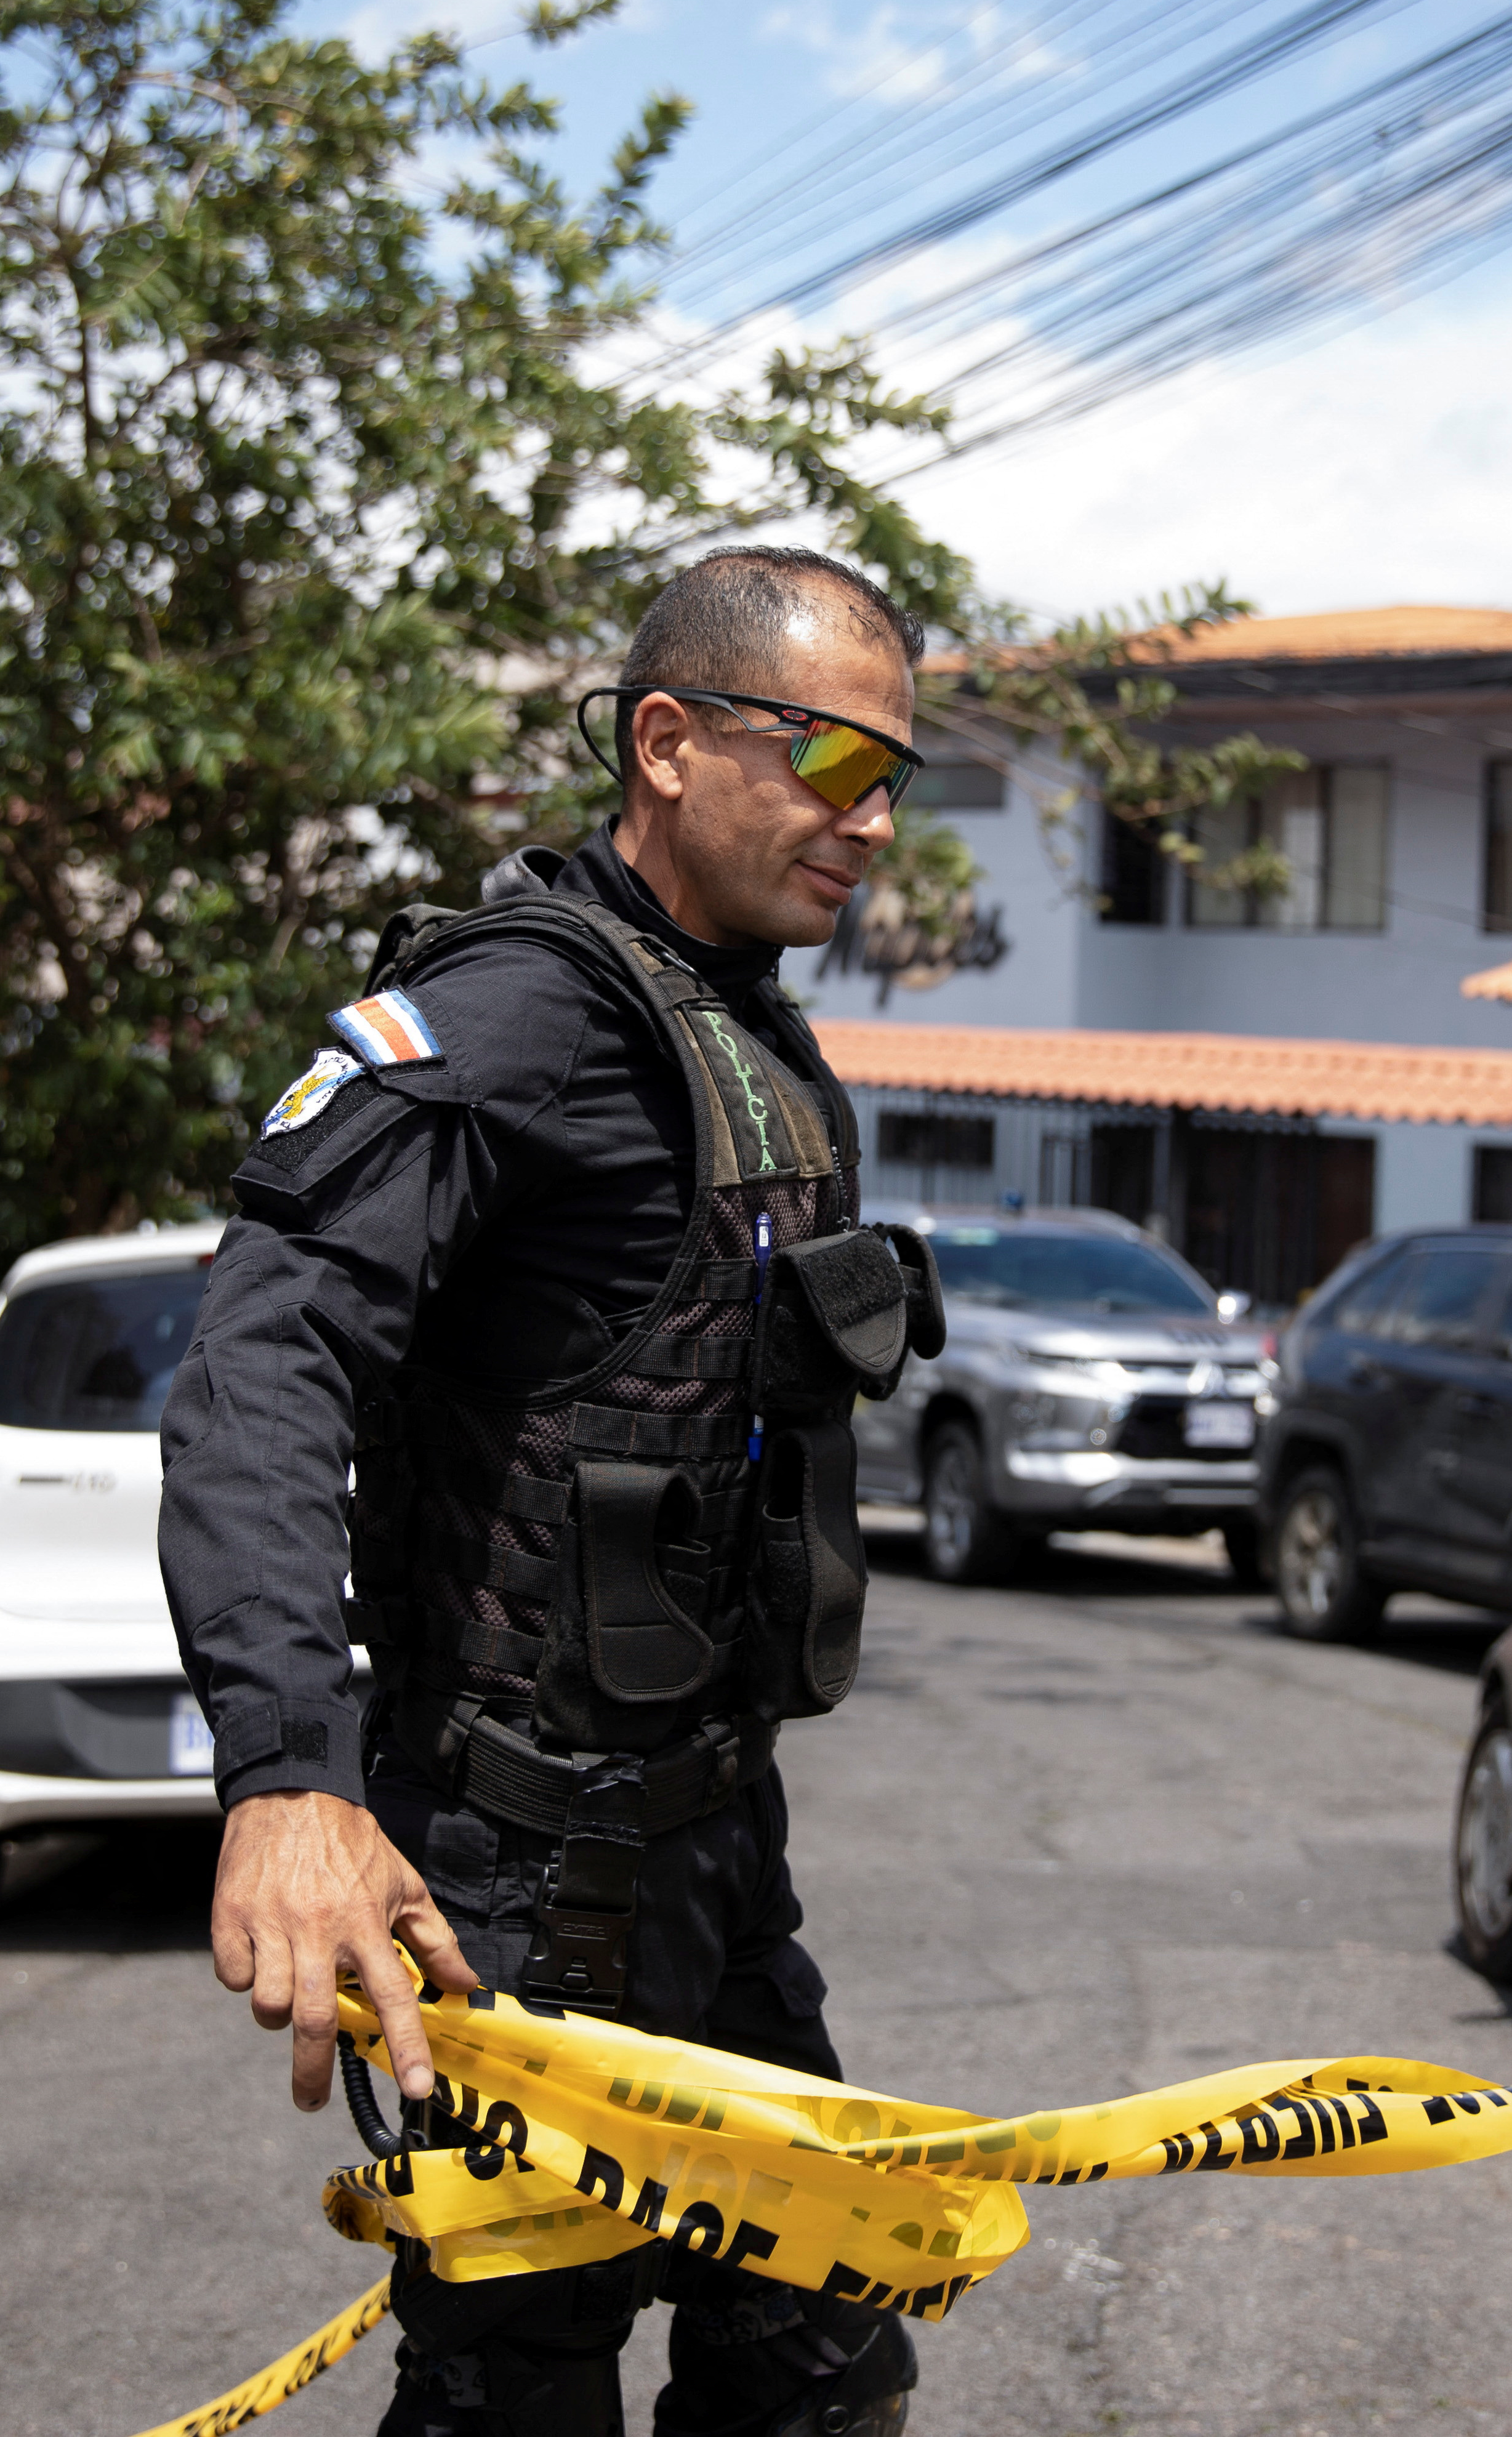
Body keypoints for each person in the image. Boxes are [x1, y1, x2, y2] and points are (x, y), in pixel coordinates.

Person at [160, 546, 946, 2437]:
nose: (875, 824)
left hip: (710, 1854)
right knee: (522, 2397)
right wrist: (287, 1778)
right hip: (521, 1892)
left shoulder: (738, 1015)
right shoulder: (522, 1008)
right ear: (665, 741)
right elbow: (263, 1351)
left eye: (898, 781)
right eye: (837, 764)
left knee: (820, 2364)